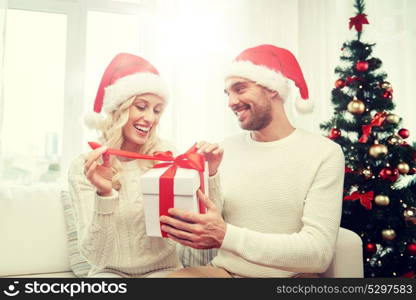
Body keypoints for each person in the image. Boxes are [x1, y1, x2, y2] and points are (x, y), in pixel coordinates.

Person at [160, 45, 345, 278]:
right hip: (225, 272)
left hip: (292, 278)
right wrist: (212, 175)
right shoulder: (226, 148)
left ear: (273, 89)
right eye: (227, 93)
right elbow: (212, 222)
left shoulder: (324, 153)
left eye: (240, 89)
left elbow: (318, 253)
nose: (231, 101)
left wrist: (226, 235)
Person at [68, 53, 221, 277]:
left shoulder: (166, 156)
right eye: (141, 107)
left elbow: (207, 226)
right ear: (118, 109)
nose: (150, 118)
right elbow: (95, 256)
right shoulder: (84, 166)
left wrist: (211, 172)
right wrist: (105, 193)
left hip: (164, 270)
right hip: (109, 272)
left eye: (157, 110)